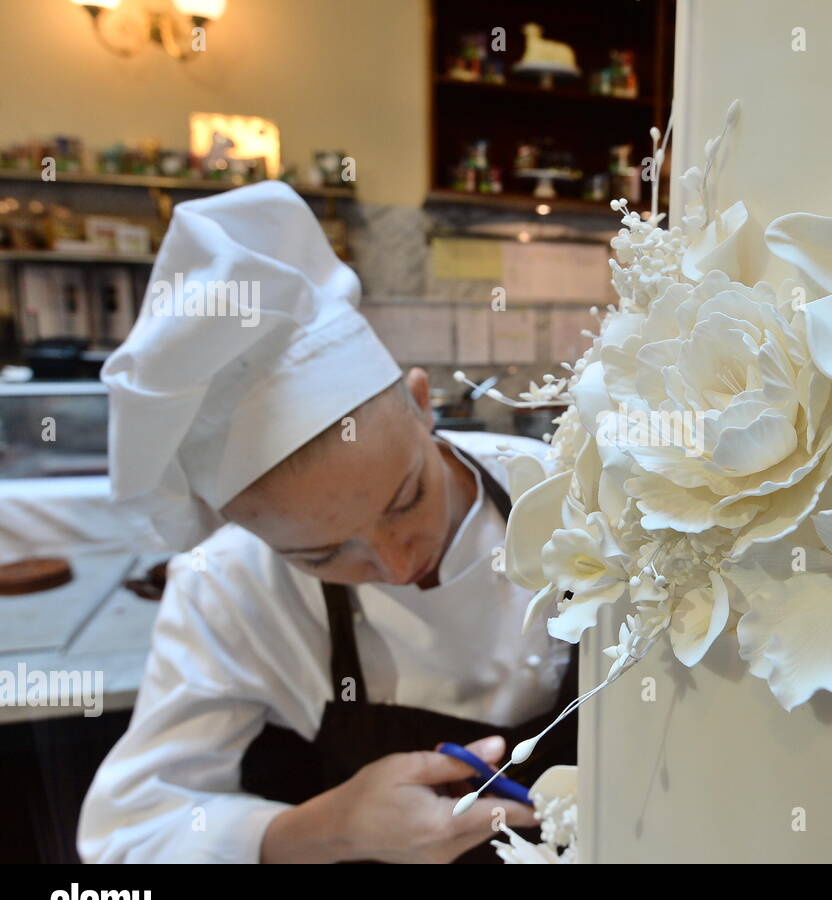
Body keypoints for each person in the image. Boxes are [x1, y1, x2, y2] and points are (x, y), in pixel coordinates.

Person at [77, 181, 576, 863]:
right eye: (322, 554)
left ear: (422, 403)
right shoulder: (228, 586)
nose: (399, 565)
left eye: (405, 498)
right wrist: (329, 826)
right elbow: (126, 832)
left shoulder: (560, 487)